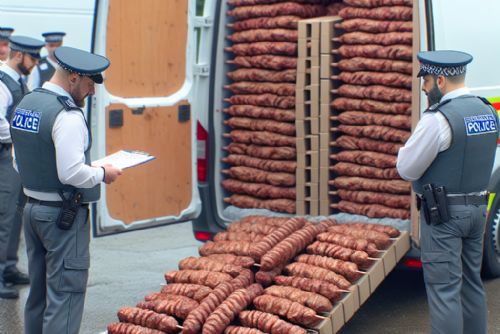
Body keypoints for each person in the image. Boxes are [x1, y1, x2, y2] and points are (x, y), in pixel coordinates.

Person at [11, 46, 122, 334]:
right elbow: (71, 172)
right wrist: (102, 173)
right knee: (65, 297)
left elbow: (17, 160)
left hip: (33, 209)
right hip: (62, 216)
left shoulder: (27, 102)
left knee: (39, 294)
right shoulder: (68, 115)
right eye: (90, 84)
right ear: (73, 78)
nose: (92, 92)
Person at [397, 50, 499, 334]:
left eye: (426, 80)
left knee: (444, 291)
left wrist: (402, 151)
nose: (423, 87)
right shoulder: (487, 110)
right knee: (472, 286)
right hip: (479, 209)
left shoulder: (438, 119)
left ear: (440, 80)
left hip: (444, 217)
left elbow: (407, 169)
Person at [0, 35, 44, 299]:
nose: (36, 63)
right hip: (4, 154)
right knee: (3, 217)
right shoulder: (2, 82)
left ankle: (8, 267)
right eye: (33, 58)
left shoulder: (18, 81)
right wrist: (19, 135)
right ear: (19, 56)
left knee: (15, 215)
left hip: (14, 157)